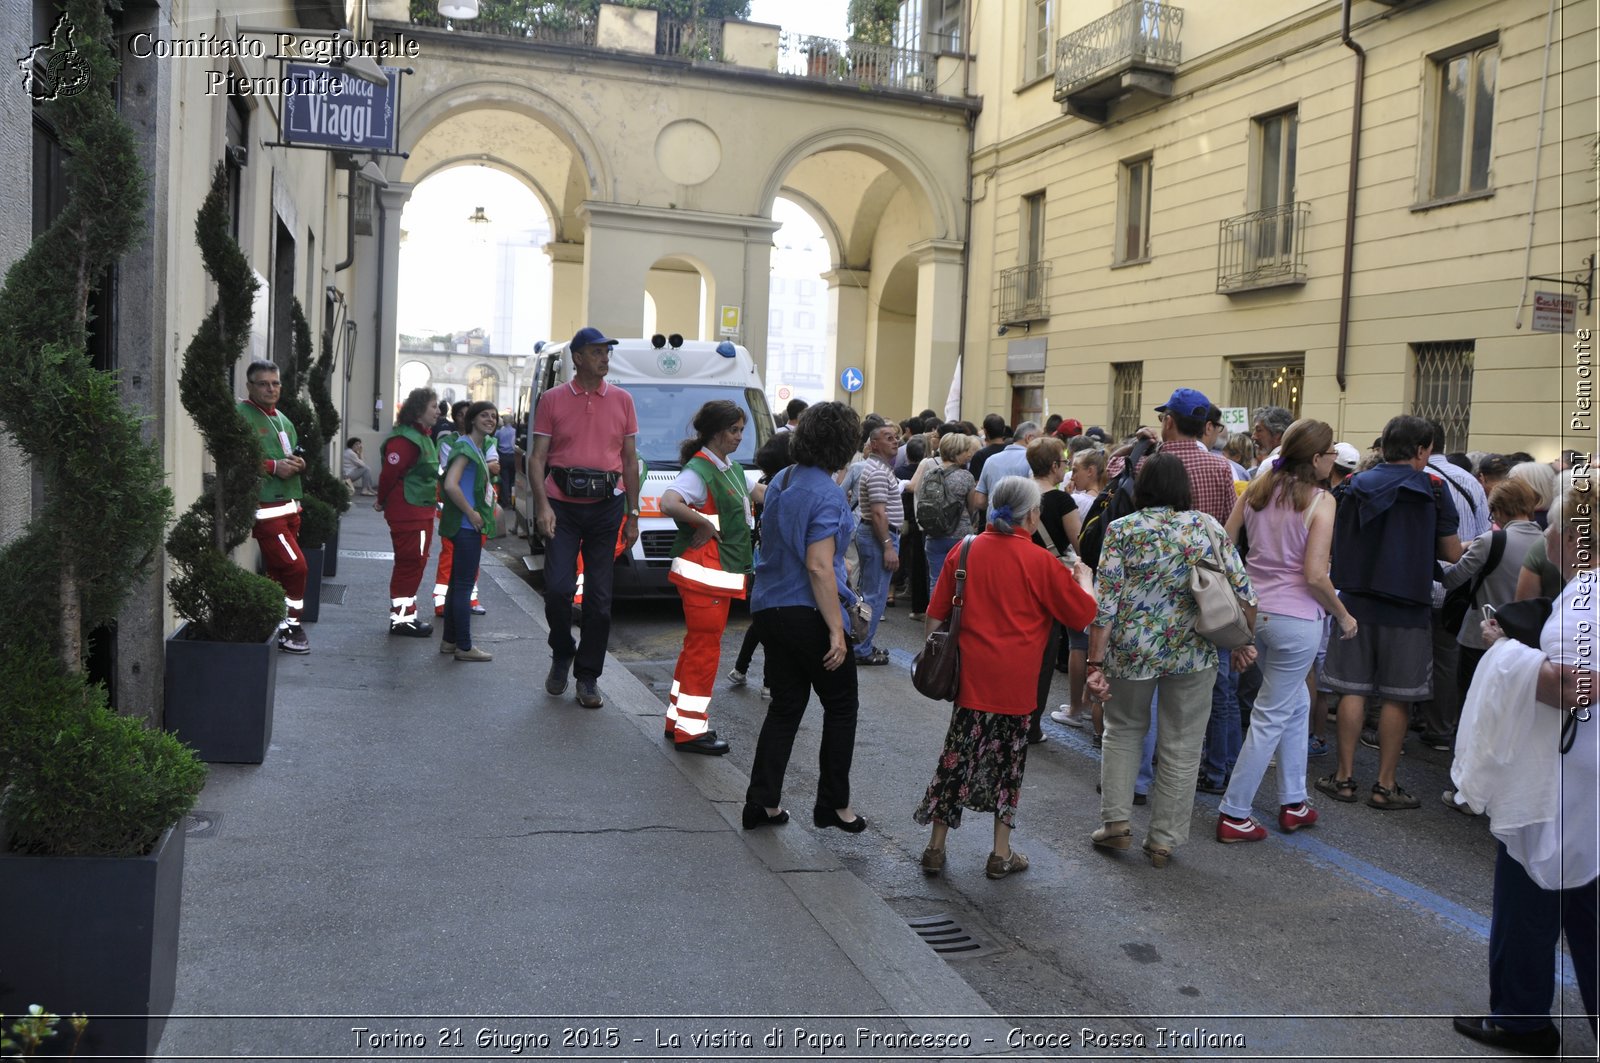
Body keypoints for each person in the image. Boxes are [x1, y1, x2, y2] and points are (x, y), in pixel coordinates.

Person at [1452, 478, 1597, 1056]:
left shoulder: (1588, 594)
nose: (1550, 535)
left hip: (1565, 769)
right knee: (1584, 894)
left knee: (1532, 884)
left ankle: (1520, 1020)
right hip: (1576, 764)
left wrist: (1502, 652)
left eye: (1557, 525)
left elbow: (1572, 688)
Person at [914, 476, 1098, 879]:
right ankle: (1000, 853)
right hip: (1016, 684)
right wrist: (1084, 581)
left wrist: (937, 657)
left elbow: (935, 614)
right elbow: (1083, 615)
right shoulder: (1041, 562)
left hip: (969, 680)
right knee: (1008, 766)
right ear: (1032, 515)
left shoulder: (966, 549)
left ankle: (935, 846)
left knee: (955, 760)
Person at [1086, 453, 1255, 868]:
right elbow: (1244, 591)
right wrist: (1242, 642)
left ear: (1142, 488)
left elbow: (1104, 605)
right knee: (1182, 744)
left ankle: (1117, 824)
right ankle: (1163, 839)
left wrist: (1095, 662)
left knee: (1123, 730)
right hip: (1194, 651)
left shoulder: (1123, 529)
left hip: (1131, 650)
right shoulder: (1206, 526)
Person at [1216, 420, 1356, 844]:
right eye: (1330, 451)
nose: (1334, 458)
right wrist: (1344, 615)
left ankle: (1294, 801)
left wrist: (1244, 584)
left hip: (1255, 613)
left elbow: (1225, 541)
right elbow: (1315, 574)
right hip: (1297, 620)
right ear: (1315, 459)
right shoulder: (1321, 501)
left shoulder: (1259, 488)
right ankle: (1234, 811)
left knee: (1294, 702)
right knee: (1272, 713)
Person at [1317, 415, 1462, 810]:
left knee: (1352, 690)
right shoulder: (1434, 489)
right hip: (1409, 607)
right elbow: (1450, 553)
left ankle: (1344, 778)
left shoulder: (1349, 486)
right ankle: (1385, 784)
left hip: (1355, 603)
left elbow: (1330, 544)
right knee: (1398, 698)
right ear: (1420, 450)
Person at [743, 402, 869, 833]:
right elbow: (818, 566)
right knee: (841, 705)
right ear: (844, 444)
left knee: (786, 706)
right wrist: (837, 629)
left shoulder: (784, 478)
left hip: (769, 607)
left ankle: (762, 803)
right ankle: (833, 806)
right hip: (806, 611)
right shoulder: (827, 493)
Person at [527, 326, 642, 709]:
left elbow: (629, 460)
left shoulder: (623, 400)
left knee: (600, 598)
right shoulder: (553, 399)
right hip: (561, 505)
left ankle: (588, 676)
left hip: (607, 507)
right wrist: (542, 506)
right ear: (577, 358)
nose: (604, 358)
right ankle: (562, 651)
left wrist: (634, 512)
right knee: (558, 589)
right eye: (597, 352)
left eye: (607, 352)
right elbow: (537, 458)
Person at [658, 400, 756, 754]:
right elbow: (668, 502)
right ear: (716, 433)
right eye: (734, 430)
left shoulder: (727, 467)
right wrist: (700, 521)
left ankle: (678, 721)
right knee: (703, 651)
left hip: (711, 573)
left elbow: (753, 493)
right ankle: (691, 732)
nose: (739, 437)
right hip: (705, 574)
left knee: (696, 648)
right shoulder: (701, 469)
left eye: (742, 430)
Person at [1439, 479, 1543, 703]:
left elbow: (1451, 579)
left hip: (1481, 637)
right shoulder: (1547, 543)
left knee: (1473, 701)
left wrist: (1443, 558)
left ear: (1498, 509)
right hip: (1530, 642)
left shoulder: (1490, 541)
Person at [239, 360, 311, 654]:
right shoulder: (241, 415)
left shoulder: (282, 418)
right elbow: (234, 458)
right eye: (263, 383)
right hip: (267, 511)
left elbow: (289, 455)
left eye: (275, 383)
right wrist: (271, 467)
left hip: (290, 507)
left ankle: (277, 623)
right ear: (250, 386)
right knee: (297, 568)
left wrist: (299, 464)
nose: (271, 389)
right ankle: (292, 626)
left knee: (280, 572)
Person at [1026, 436, 1080, 743]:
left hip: (1016, 576)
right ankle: (1032, 724)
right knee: (1044, 654)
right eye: (1064, 463)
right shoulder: (1061, 501)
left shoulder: (1016, 490)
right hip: (1047, 583)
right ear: (1053, 466)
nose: (1067, 468)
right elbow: (1078, 543)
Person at [377, 388, 441, 637]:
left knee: (415, 562)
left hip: (418, 510)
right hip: (409, 511)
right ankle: (402, 620)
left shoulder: (421, 436)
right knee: (410, 563)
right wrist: (381, 500)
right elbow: (389, 474)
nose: (438, 411)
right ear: (418, 410)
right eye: (433, 406)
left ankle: (405, 616)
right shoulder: (405, 440)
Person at [438, 402, 499, 662]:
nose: (490, 419)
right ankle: (464, 646)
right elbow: (451, 484)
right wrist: (471, 513)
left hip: (465, 525)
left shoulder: (473, 446)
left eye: (494, 416)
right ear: (472, 420)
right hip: (467, 526)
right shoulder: (466, 447)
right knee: (463, 586)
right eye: (484, 415)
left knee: (456, 585)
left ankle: (450, 641)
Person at [852, 419, 902, 666]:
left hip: (874, 535)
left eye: (895, 437)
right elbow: (879, 513)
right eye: (889, 437)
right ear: (874, 443)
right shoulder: (878, 471)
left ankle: (863, 643)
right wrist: (888, 546)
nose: (896, 441)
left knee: (871, 595)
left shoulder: (877, 468)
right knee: (874, 596)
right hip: (877, 535)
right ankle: (861, 649)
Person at [917, 431, 980, 593]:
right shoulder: (965, 476)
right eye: (967, 450)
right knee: (960, 582)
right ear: (958, 452)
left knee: (936, 580)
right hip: (959, 536)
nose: (969, 454)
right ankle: (955, 617)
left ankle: (935, 616)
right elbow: (973, 506)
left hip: (934, 534)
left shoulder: (930, 474)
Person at [493, 413, 516, 515]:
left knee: (505, 480)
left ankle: (505, 502)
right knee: (513, 480)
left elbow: (494, 439)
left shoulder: (499, 432)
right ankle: (514, 501)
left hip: (503, 457)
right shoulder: (515, 431)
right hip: (514, 457)